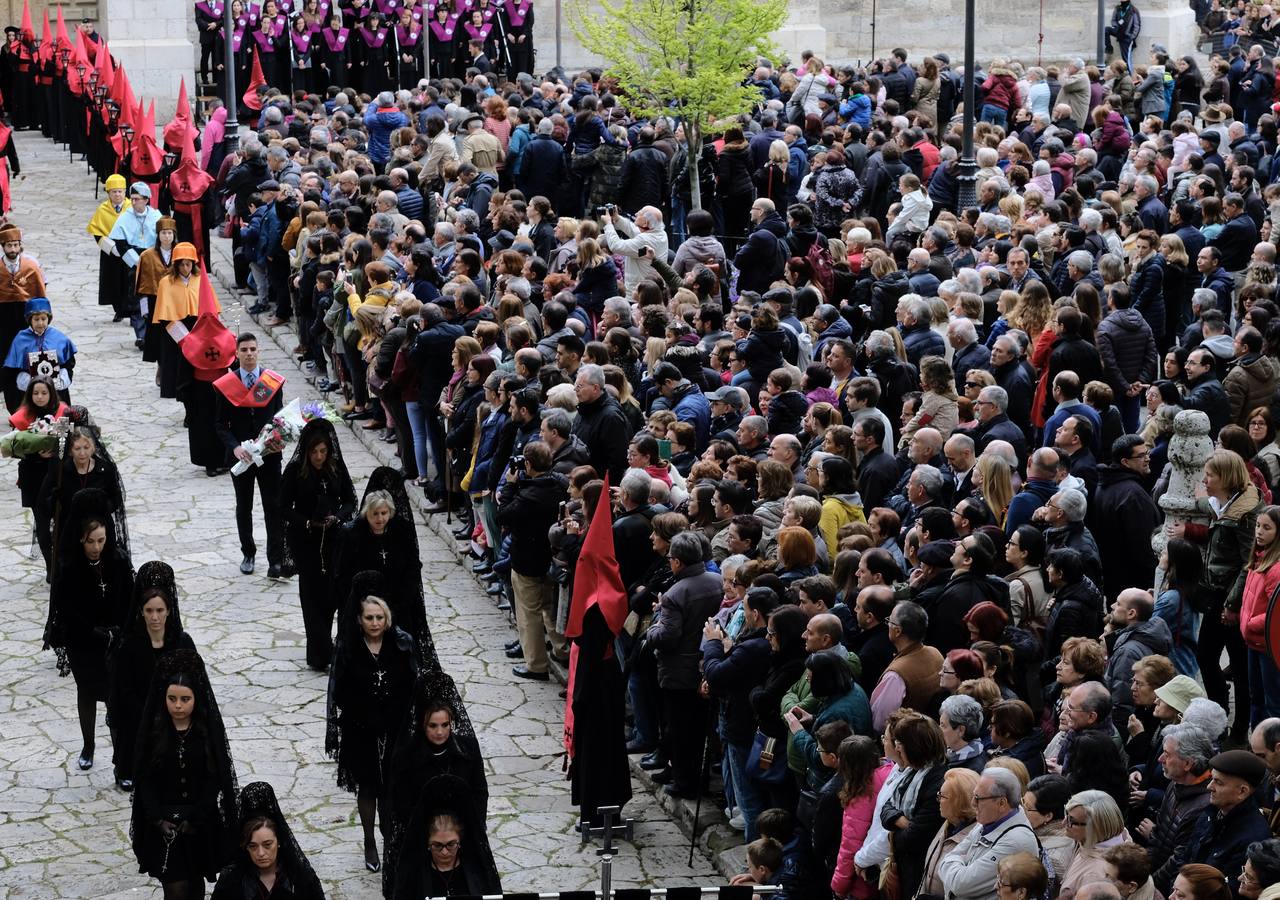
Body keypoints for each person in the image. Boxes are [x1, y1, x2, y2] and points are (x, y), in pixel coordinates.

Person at [325, 572, 419, 874]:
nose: (375, 623)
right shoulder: (350, 649)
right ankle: (369, 839)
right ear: (360, 620)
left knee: (392, 789)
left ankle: (391, 838)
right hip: (361, 730)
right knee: (367, 789)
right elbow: (338, 691)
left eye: (380, 617)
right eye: (369, 618)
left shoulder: (401, 645)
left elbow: (412, 686)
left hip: (394, 729)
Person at [129, 649, 239, 900]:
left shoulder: (204, 732)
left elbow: (215, 777)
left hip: (198, 823)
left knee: (195, 885)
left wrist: (197, 816)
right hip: (164, 824)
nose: (178, 706)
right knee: (175, 889)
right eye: (172, 698)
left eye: (185, 699)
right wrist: (157, 818)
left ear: (196, 699)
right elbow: (143, 778)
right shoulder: (155, 731)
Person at [45, 489, 133, 773]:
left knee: (115, 697)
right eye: (90, 541)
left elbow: (128, 599)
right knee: (87, 691)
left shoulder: (117, 561)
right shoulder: (69, 567)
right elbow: (67, 608)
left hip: (115, 638)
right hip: (83, 640)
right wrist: (94, 632)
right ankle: (88, 745)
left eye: (101, 540)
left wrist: (118, 630)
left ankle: (121, 760)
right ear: (80, 539)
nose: (96, 547)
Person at [384, 670, 487, 894]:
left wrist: (466, 828)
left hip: (463, 836)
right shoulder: (407, 756)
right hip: (420, 839)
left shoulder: (467, 749)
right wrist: (428, 833)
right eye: (433, 726)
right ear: (422, 724)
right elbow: (399, 801)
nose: (440, 732)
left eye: (445, 725)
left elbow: (479, 792)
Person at [107, 561, 197, 793]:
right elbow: (123, 690)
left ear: (168, 610)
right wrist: (149, 712)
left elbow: (195, 683)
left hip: (176, 710)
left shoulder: (182, 642)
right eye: (149, 611)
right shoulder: (128, 646)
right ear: (141, 611)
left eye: (159, 610)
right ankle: (127, 769)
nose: (155, 617)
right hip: (139, 714)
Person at [334, 468, 436, 670]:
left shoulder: (402, 532)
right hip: (366, 607)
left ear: (390, 512)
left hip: (400, 603)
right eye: (375, 514)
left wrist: (400, 602)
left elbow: (412, 567)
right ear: (366, 513)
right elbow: (344, 574)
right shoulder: (353, 535)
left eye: (384, 513)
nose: (380, 519)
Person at [280, 420, 356, 672]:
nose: (319, 457)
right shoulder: (294, 472)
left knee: (330, 595)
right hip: (306, 542)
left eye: (323, 451)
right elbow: (282, 507)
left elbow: (349, 500)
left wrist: (338, 518)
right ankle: (322, 649)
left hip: (332, 540)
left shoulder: (335, 468)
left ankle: (320, 650)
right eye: (314, 452)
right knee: (311, 596)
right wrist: (307, 523)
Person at [213, 332, 286, 577]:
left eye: (253, 349)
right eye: (244, 350)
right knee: (243, 506)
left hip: (269, 455)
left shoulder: (272, 382)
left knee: (273, 506)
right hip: (241, 457)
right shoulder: (226, 385)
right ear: (237, 353)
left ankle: (275, 559)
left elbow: (280, 418)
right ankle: (248, 553)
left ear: (259, 350)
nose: (249, 354)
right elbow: (220, 424)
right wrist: (235, 447)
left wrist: (279, 439)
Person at [390, 774, 502, 898]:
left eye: (451, 844)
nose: (444, 852)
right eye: (437, 845)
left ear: (460, 841)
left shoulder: (477, 871)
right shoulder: (415, 876)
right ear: (427, 843)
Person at [937, 767, 1042, 900]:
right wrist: (957, 866)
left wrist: (955, 864)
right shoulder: (988, 820)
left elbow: (961, 885)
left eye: (978, 798)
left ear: (1002, 803)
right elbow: (948, 862)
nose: (972, 803)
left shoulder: (1016, 841)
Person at [210, 782, 325, 900]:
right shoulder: (231, 881)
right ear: (245, 846)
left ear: (279, 841)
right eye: (253, 846)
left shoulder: (300, 878)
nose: (261, 853)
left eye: (267, 845)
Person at [2, 296, 75, 414]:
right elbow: (11, 369)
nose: (40, 323)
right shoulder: (21, 339)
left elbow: (68, 363)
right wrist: (23, 380)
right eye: (36, 319)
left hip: (54, 388)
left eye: (43, 318)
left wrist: (63, 376)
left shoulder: (58, 337)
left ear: (49, 319)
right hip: (29, 390)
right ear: (30, 320)